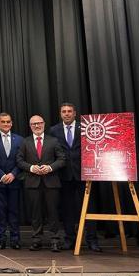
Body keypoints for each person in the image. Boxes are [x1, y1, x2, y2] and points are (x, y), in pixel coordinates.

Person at [49, 103, 102, 252]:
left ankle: (92, 240)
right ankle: (69, 239)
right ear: (60, 114)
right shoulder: (54, 130)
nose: (66, 114)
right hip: (64, 175)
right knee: (68, 209)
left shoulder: (85, 127)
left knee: (89, 207)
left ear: (74, 113)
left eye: (69, 111)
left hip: (85, 174)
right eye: (64, 111)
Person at [16, 115, 66, 252]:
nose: (37, 126)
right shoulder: (25, 142)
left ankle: (55, 240)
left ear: (44, 124)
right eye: (34, 124)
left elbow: (62, 159)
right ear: (30, 126)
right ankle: (36, 240)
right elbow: (19, 160)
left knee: (53, 213)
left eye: (39, 123)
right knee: (35, 214)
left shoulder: (53, 141)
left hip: (51, 182)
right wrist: (31, 168)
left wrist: (50, 167)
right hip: (32, 182)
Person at [0, 112, 23, 250]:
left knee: (14, 211)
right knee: (1, 211)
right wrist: (1, 175)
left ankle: (15, 239)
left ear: (12, 123)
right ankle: (1, 238)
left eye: (8, 121)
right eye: (3, 122)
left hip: (15, 180)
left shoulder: (20, 140)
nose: (6, 124)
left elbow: (21, 160)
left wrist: (13, 174)